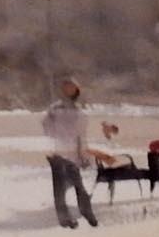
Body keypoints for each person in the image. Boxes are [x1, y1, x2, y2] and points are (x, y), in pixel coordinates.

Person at [41, 78, 112, 229]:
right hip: (57, 153)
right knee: (60, 188)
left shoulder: (79, 111)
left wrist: (83, 156)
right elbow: (46, 128)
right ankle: (67, 218)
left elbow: (81, 136)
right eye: (66, 87)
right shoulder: (55, 109)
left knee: (77, 185)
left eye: (72, 88)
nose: (69, 91)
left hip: (71, 154)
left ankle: (85, 213)